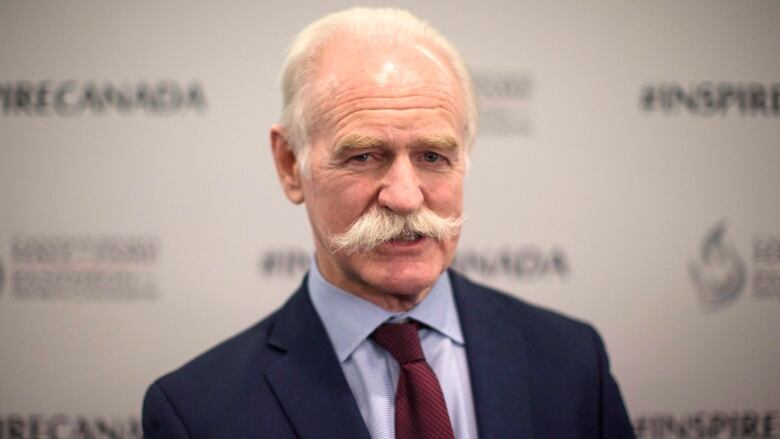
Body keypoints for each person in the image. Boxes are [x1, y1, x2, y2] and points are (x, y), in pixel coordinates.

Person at [143, 7, 635, 439]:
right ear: (291, 164)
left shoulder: (572, 361)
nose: (403, 196)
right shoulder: (198, 412)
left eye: (432, 156)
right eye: (362, 156)